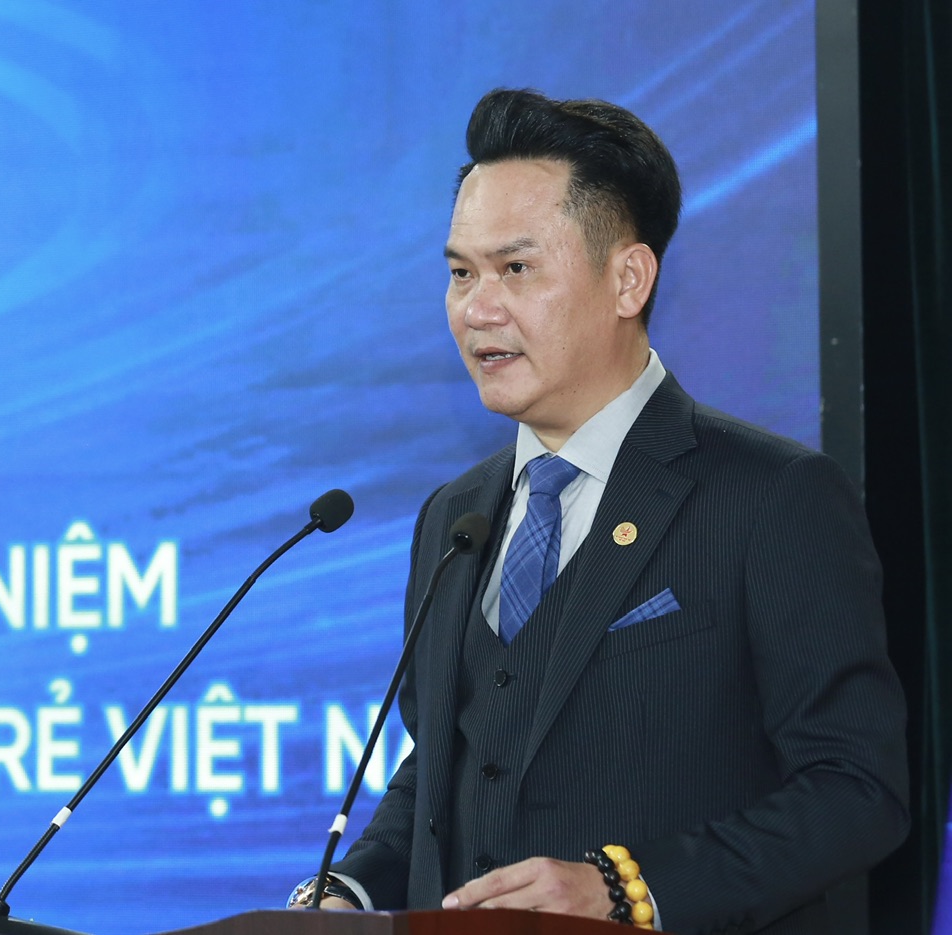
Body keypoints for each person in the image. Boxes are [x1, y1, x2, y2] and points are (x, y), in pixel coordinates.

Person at [287, 89, 909, 933]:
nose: (477, 309)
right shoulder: (454, 516)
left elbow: (856, 789)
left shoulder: (772, 497)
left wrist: (628, 888)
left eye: (515, 269)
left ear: (628, 279)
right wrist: (348, 892)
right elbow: (447, 768)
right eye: (461, 273)